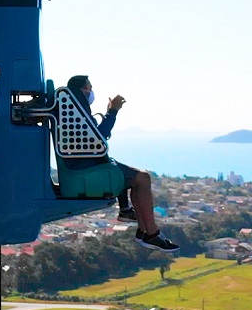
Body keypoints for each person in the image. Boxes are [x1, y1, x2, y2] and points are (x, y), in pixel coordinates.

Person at [66, 75, 178, 253]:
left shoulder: (72, 111)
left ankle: (137, 222)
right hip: (88, 168)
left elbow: (94, 137)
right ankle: (150, 233)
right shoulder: (77, 114)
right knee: (142, 178)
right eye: (89, 88)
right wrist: (113, 111)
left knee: (136, 177)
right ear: (82, 91)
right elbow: (100, 137)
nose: (91, 92)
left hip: (86, 163)